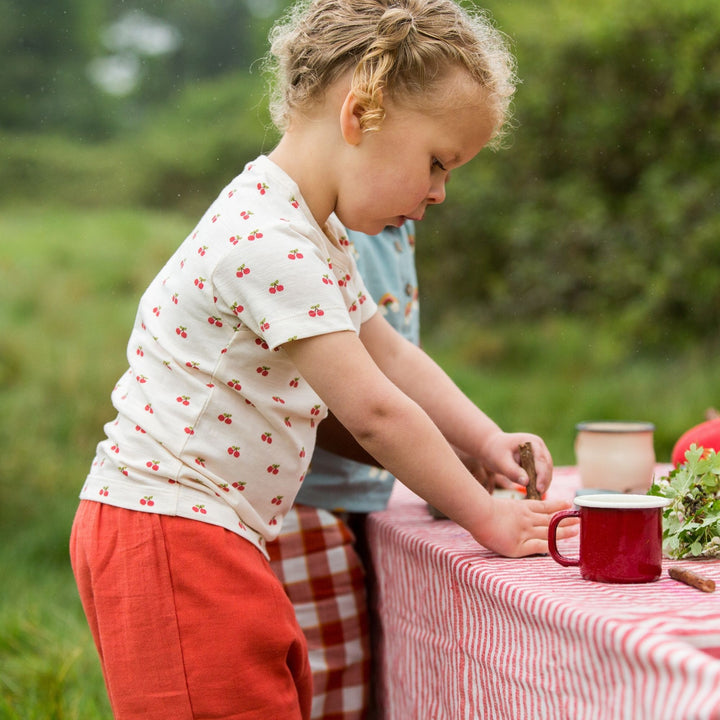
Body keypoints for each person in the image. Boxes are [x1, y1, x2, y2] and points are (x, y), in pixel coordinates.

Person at [69, 2, 577, 718]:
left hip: (208, 529)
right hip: (170, 532)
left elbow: (391, 355)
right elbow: (373, 409)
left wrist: (486, 439)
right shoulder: (269, 241)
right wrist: (481, 517)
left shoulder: (313, 234)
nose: (438, 191)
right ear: (360, 113)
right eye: (436, 162)